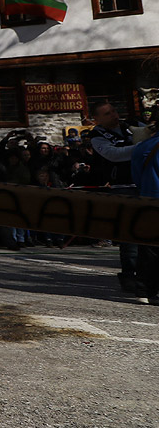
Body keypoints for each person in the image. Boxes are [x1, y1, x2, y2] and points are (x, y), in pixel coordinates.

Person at [87, 101, 140, 292]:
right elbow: (113, 155)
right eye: (108, 113)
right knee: (129, 234)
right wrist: (142, 148)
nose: (114, 115)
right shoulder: (96, 136)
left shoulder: (130, 127)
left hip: (144, 184)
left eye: (114, 111)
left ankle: (147, 274)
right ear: (97, 119)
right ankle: (129, 274)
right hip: (121, 187)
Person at [131, 120, 159, 306]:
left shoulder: (142, 147)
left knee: (148, 248)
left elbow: (137, 177)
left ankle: (144, 290)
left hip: (148, 199)